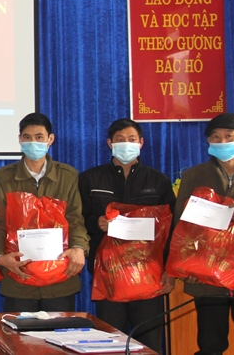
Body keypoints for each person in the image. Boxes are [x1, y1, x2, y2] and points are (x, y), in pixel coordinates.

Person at [78, 119, 175, 352]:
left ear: (141, 143)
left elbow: (172, 228)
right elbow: (77, 220)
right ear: (109, 143)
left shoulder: (158, 180)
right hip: (108, 276)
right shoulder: (90, 179)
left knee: (149, 345)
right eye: (120, 140)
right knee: (110, 344)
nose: (126, 144)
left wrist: (170, 271)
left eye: (131, 139)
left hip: (149, 275)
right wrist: (96, 222)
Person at [174, 112, 234, 354]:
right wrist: (186, 267)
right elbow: (181, 226)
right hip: (207, 275)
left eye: (229, 136)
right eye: (216, 137)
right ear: (208, 142)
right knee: (210, 344)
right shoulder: (194, 176)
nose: (222, 141)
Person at [0, 112, 89, 311]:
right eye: (27, 137)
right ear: (20, 139)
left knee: (59, 331)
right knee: (18, 332)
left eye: (39, 137)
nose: (33, 143)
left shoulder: (68, 176)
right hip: (19, 278)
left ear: (50, 139)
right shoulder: (3, 178)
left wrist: (79, 247)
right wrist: (0, 257)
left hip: (60, 281)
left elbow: (76, 220)